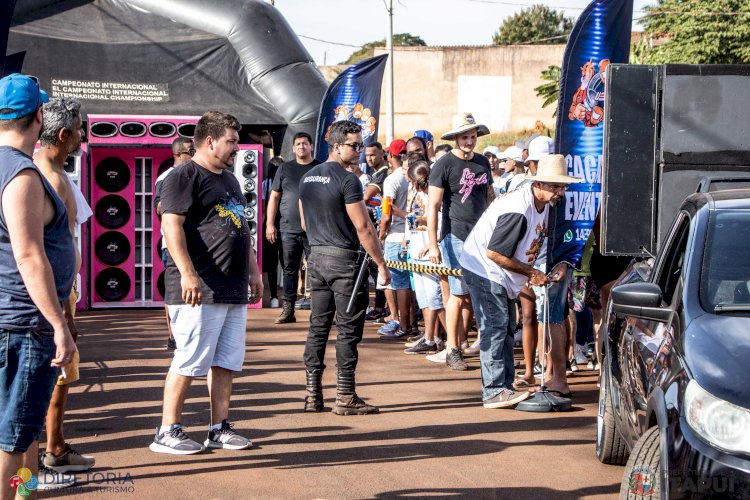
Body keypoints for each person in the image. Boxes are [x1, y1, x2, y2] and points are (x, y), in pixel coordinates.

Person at [150, 111, 263, 455]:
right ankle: (168, 431)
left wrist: (254, 272)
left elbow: (243, 227)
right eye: (231, 141)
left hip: (231, 286)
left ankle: (219, 428)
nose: (236, 148)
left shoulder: (229, 179)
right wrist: (187, 273)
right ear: (210, 141)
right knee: (189, 359)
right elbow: (171, 227)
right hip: (198, 287)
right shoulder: (184, 176)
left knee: (226, 361)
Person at [0, 74, 77, 490]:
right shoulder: (21, 175)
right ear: (39, 116)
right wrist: (58, 325)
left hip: (15, 319)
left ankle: (26, 493)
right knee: (12, 439)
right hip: (24, 324)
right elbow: (29, 255)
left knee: (24, 430)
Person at [460, 154, 583, 407]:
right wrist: (531, 273)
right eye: (554, 186)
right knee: (496, 326)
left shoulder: (544, 206)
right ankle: (494, 390)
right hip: (485, 269)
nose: (560, 191)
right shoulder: (519, 209)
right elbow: (494, 253)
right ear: (538, 184)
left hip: (500, 272)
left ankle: (503, 385)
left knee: (505, 326)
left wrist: (552, 267)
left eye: (562, 186)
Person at [299, 120, 391, 415]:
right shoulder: (348, 180)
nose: (359, 150)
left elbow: (303, 222)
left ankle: (313, 395)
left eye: (360, 145)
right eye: (354, 145)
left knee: (318, 327)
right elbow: (364, 227)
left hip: (317, 258)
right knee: (349, 330)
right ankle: (345, 395)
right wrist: (381, 263)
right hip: (344, 261)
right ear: (337, 146)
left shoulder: (308, 177)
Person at [33, 96, 96, 482]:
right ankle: (36, 467)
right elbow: (40, 253)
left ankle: (54, 450)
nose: (82, 137)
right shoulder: (48, 178)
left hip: (60, 294)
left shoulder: (58, 176)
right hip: (50, 299)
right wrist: (63, 314)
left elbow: (67, 243)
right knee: (45, 383)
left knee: (61, 378)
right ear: (61, 134)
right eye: (78, 131)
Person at [426, 112, 492, 370]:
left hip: (480, 237)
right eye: (464, 136)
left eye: (473, 136)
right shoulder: (443, 165)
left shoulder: (482, 163)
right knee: (458, 292)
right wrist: (433, 244)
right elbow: (432, 206)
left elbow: (488, 197)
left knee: (477, 293)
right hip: (455, 235)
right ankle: (452, 347)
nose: (469, 141)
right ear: (455, 138)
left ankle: (471, 343)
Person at [265, 132, 321, 324]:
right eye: (298, 144)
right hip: (287, 229)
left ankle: (319, 310)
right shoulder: (284, 169)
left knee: (317, 269)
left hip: (315, 230)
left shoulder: (320, 168)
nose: (301, 147)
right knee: (289, 269)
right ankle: (288, 309)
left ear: (311, 146)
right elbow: (274, 197)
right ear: (293, 147)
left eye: (305, 143)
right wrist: (269, 224)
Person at [155, 136, 195, 349]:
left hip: (197, 245)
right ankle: (173, 336)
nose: (194, 154)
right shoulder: (166, 177)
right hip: (173, 246)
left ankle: (192, 334)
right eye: (191, 151)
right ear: (178, 154)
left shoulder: (197, 173)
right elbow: (159, 207)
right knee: (175, 291)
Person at [403, 160, 446, 355]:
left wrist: (432, 244)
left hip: (430, 252)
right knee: (424, 298)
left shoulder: (436, 195)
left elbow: (443, 222)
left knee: (435, 297)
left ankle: (447, 340)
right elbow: (413, 218)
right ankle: (429, 337)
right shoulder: (413, 193)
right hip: (415, 247)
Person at [261, 156, 284, 309]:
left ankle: (274, 297)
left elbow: (263, 209)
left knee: (271, 263)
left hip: (269, 225)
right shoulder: (287, 183)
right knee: (287, 262)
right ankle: (290, 296)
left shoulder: (265, 184)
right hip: (285, 224)